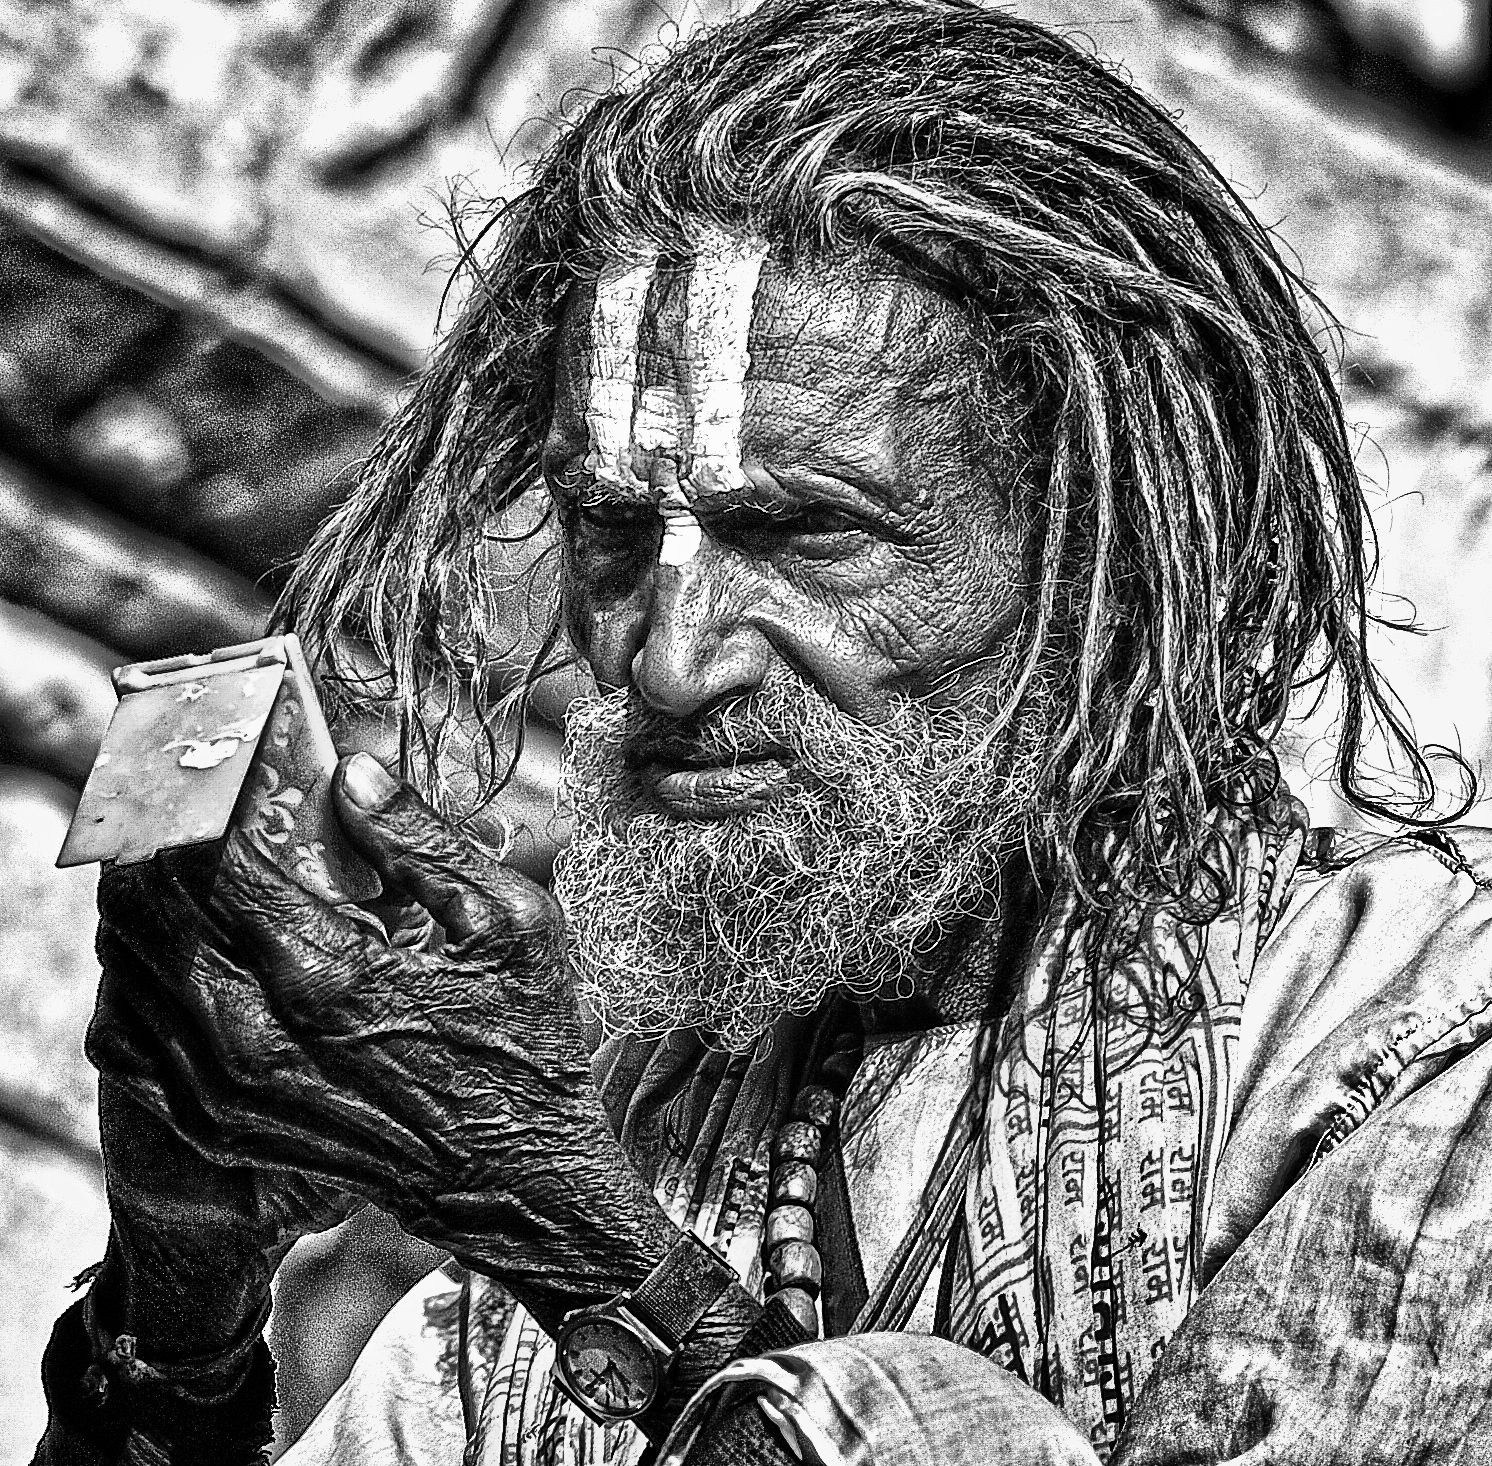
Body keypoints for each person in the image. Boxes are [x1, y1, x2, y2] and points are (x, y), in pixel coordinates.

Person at [31, 1, 1492, 1462]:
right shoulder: (624, 1163)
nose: (665, 660)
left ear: (1102, 564)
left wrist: (612, 1275)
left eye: (801, 532)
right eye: (611, 526)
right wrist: (177, 1295)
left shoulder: (1416, 1043)